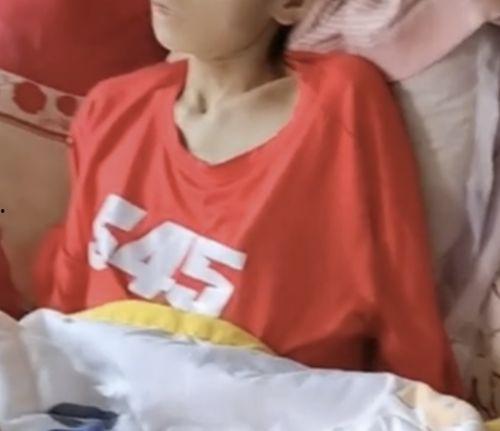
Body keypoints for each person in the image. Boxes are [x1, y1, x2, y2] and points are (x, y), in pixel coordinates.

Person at [33, 0, 463, 397]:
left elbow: (402, 301)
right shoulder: (112, 109)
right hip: (102, 398)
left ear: (292, 4)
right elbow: (68, 298)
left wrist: (428, 408)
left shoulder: (341, 104)